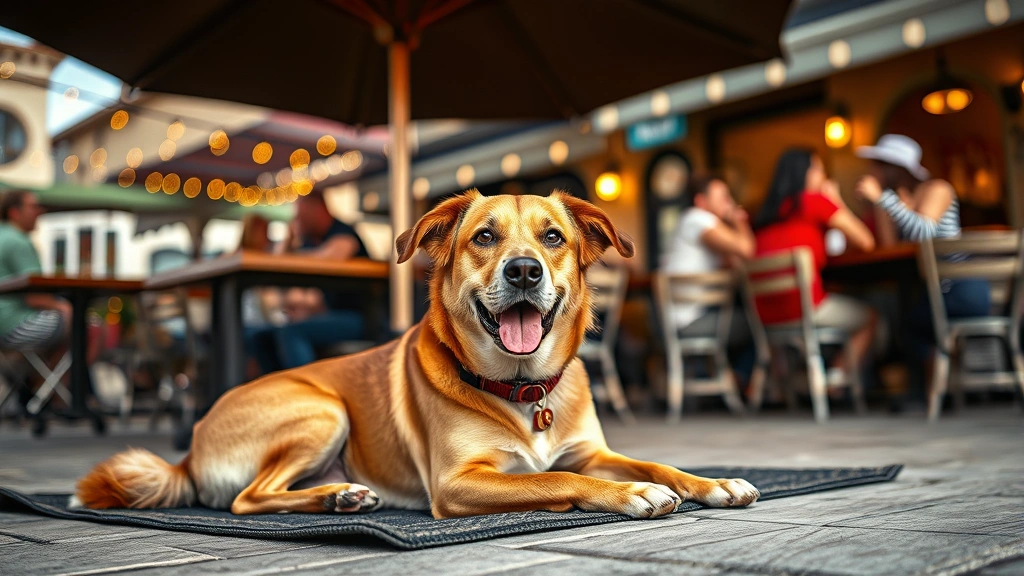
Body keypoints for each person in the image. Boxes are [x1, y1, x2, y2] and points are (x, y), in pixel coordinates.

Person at [854, 134, 990, 401]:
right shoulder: (901, 200)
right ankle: (933, 392)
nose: (873, 172)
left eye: (879, 165)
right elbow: (889, 247)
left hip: (961, 289)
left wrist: (883, 199)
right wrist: (883, 205)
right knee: (903, 318)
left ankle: (933, 392)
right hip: (935, 292)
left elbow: (925, 232)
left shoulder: (938, 188)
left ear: (897, 168)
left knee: (909, 322)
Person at [752, 149, 878, 372]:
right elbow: (866, 242)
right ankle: (837, 380)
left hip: (766, 315)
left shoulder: (767, 213)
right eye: (819, 168)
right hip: (804, 308)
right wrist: (835, 200)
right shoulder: (814, 202)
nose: (823, 175)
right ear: (805, 173)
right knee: (871, 317)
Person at [247, 190, 370, 373]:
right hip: (328, 317)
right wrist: (288, 240)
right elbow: (280, 271)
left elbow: (332, 257)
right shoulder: (309, 242)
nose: (298, 220)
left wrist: (291, 253)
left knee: (291, 333)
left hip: (361, 318)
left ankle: (306, 395)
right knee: (261, 337)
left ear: (318, 209)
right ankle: (279, 394)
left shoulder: (344, 232)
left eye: (301, 215)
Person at [660, 174, 754, 331]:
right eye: (723, 198)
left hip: (685, 319)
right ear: (701, 202)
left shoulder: (693, 223)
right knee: (756, 323)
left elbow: (733, 264)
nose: (729, 203)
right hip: (688, 322)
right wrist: (738, 219)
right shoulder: (698, 219)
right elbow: (746, 249)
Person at [0, 191, 70, 351]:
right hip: (12, 323)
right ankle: (53, 377)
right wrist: (67, 307)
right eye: (33, 207)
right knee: (88, 326)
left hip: (5, 323)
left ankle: (35, 375)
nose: (39, 212)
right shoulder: (17, 241)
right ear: (14, 212)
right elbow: (36, 298)